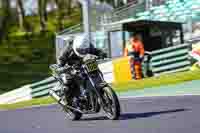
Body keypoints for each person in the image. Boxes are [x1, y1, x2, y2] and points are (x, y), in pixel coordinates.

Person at [56, 34, 106, 104]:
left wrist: (102, 53)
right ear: (75, 47)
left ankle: (99, 91)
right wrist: (61, 66)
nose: (83, 51)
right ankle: (67, 100)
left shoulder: (88, 45)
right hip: (70, 67)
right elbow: (60, 59)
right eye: (80, 50)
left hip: (84, 63)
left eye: (85, 50)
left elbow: (96, 50)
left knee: (95, 72)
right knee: (68, 82)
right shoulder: (68, 50)